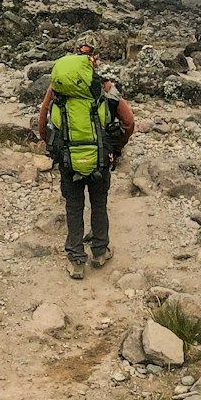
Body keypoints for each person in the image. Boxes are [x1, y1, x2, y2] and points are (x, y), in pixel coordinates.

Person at [34, 45, 137, 279]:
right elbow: (129, 122)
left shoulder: (57, 90)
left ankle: (76, 260)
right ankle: (100, 252)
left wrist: (54, 147)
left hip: (69, 160)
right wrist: (116, 148)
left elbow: (43, 122)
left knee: (74, 207)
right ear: (92, 62)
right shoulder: (105, 87)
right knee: (99, 204)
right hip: (101, 159)